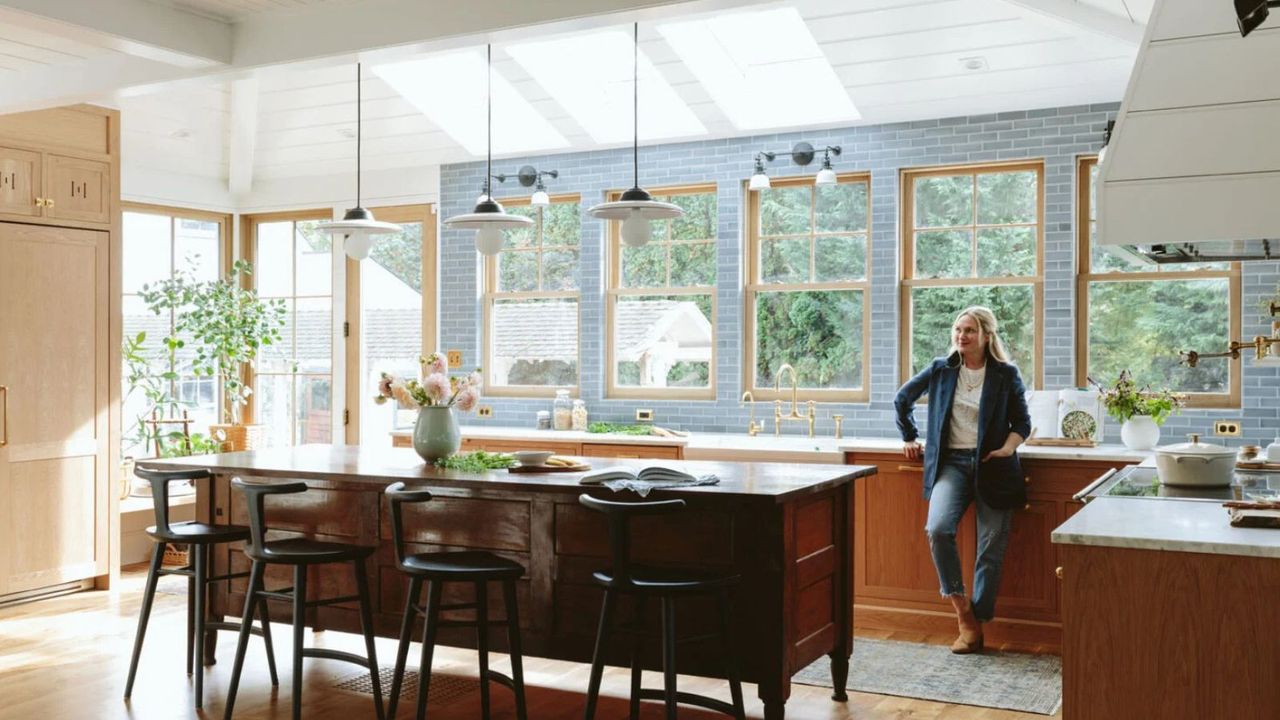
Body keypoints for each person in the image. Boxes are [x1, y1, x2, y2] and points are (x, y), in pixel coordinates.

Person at [894, 306, 1031, 654]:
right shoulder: (942, 369)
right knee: (938, 528)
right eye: (958, 329)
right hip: (951, 465)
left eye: (969, 330)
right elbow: (902, 398)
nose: (962, 336)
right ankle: (963, 613)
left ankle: (978, 621)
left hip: (994, 467)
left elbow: (1022, 423)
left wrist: (1007, 449)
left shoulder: (1005, 374)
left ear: (986, 335)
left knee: (990, 549)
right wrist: (909, 436)